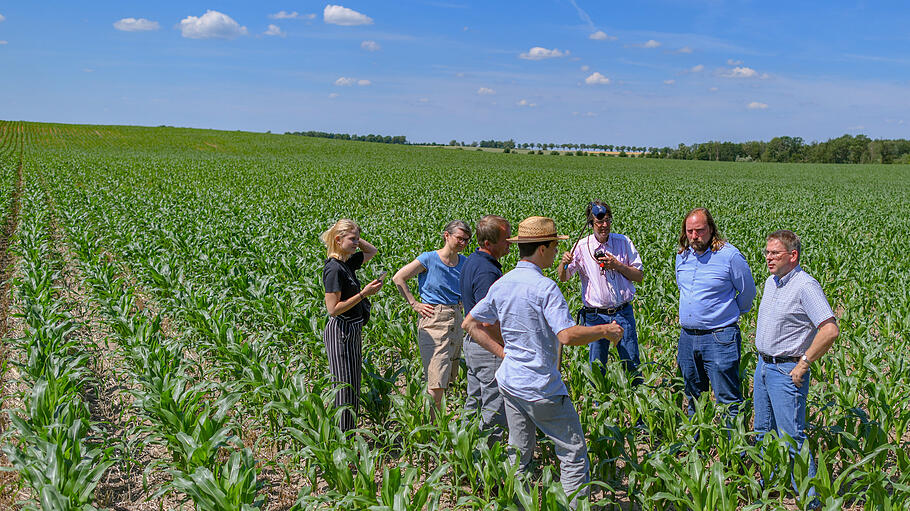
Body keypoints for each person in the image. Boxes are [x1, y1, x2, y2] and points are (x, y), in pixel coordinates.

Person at [463, 216, 623, 510]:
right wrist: (605, 330)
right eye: (553, 247)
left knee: (519, 452)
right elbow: (566, 335)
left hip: (510, 383)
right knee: (572, 452)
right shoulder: (546, 288)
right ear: (542, 249)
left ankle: (517, 503)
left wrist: (505, 355)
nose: (554, 253)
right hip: (541, 388)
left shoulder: (503, 283)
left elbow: (470, 323)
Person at [754, 230, 838, 506]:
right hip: (764, 367)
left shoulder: (805, 286)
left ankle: (810, 502)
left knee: (792, 439)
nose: (768, 258)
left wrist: (804, 364)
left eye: (774, 253)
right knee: (764, 433)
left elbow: (829, 330)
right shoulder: (771, 282)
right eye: (767, 252)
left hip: (786, 370)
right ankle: (771, 492)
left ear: (793, 255)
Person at [675, 207, 756, 419]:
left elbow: (748, 292)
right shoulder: (682, 257)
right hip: (687, 337)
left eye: (700, 230)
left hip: (720, 337)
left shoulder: (730, 256)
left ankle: (732, 450)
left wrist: (727, 314)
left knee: (727, 400)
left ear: (711, 229)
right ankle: (697, 448)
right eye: (690, 231)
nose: (694, 236)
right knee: (694, 397)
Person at [558, 202, 644, 385]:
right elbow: (564, 277)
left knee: (632, 365)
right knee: (597, 368)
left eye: (607, 220)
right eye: (599, 222)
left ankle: (637, 402)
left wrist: (617, 266)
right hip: (595, 317)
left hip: (622, 313)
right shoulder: (581, 247)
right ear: (590, 223)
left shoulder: (623, 242)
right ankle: (599, 405)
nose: (604, 225)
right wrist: (563, 263)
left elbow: (639, 276)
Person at [392, 220, 471, 409]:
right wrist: (414, 303)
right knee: (436, 377)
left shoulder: (465, 262)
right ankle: (434, 428)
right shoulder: (429, 259)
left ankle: (441, 422)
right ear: (446, 236)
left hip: (456, 317)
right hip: (434, 318)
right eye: (460, 238)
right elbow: (398, 278)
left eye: (467, 240)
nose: (463, 243)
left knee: (449, 374)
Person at [321, 219, 383, 432]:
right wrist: (364, 294)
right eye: (352, 239)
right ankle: (343, 437)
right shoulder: (334, 270)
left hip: (353, 329)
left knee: (354, 384)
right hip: (341, 331)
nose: (357, 243)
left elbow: (372, 251)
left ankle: (350, 432)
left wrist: (354, 237)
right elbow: (333, 309)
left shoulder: (346, 264)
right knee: (344, 388)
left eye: (358, 239)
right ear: (338, 240)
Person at [459, 215, 511, 437]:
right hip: (486, 346)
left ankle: (465, 454)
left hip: (473, 345)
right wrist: (506, 344)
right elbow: (486, 320)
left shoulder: (473, 260)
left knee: (474, 403)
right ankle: (490, 461)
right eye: (506, 239)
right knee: (494, 408)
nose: (510, 243)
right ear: (488, 244)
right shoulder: (486, 272)